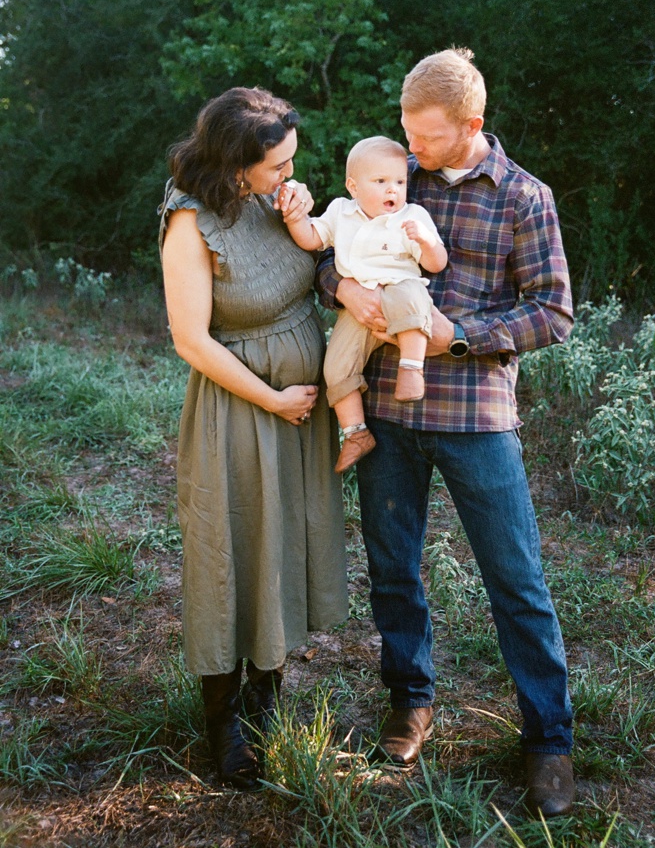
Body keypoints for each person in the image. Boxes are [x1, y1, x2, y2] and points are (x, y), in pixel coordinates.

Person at [317, 48, 576, 816]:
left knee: (516, 580)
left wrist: (454, 337)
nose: (412, 150)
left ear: (472, 125)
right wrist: (348, 288)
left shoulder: (525, 198)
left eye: (426, 138)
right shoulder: (397, 176)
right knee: (393, 567)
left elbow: (553, 314)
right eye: (406, 133)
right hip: (388, 412)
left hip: (475, 418)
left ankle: (549, 741)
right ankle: (411, 702)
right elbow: (334, 252)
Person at [158, 87, 345, 789]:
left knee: (283, 541)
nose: (289, 175)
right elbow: (190, 339)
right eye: (277, 168)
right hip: (241, 409)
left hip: (302, 409)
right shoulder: (190, 222)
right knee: (230, 551)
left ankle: (270, 699)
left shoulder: (279, 200)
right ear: (237, 165)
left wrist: (306, 224)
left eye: (292, 163)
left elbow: (323, 267)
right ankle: (224, 722)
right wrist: (272, 397)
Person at [285, 136, 448, 474]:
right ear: (353, 187)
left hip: (398, 293)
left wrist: (427, 241)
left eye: (400, 182)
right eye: (381, 182)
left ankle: (411, 369)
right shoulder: (340, 212)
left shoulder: (411, 216)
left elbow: (435, 264)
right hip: (356, 309)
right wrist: (294, 219)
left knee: (413, 297)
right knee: (336, 366)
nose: (393, 190)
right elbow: (312, 239)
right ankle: (356, 433)